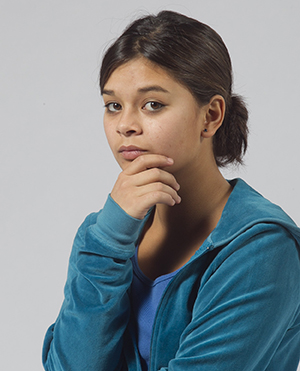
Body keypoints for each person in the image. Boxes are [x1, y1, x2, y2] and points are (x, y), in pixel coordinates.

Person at [42, 10, 300, 371]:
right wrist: (108, 242)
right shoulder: (102, 237)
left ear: (210, 116)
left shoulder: (262, 248)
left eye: (153, 104)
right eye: (113, 106)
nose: (126, 126)